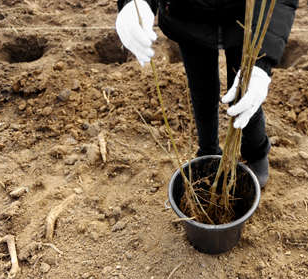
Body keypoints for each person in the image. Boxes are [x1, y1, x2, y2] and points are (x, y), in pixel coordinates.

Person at [116, 0, 298, 188]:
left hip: (245, 19)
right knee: (201, 90)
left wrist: (263, 62)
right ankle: (208, 153)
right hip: (188, 17)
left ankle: (255, 151)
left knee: (245, 94)